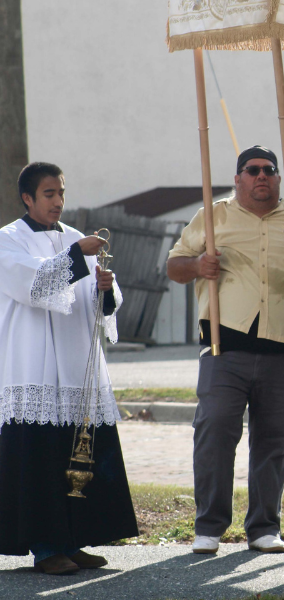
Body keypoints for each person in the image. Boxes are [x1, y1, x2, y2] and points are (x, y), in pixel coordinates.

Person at [166, 145, 284, 555]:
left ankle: (263, 527)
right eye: (251, 170)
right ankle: (209, 526)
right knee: (215, 431)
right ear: (237, 178)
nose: (261, 176)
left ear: (278, 178)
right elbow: (173, 266)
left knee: (274, 442)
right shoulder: (212, 215)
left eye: (269, 170)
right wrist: (199, 264)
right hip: (224, 346)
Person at [0, 162, 137, 575]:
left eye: (61, 192)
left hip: (78, 366)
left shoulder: (76, 239)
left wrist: (105, 290)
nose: (58, 201)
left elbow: (101, 308)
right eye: (48, 194)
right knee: (40, 455)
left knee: (78, 455)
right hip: (35, 365)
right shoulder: (9, 240)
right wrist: (78, 257)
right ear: (27, 197)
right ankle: (45, 548)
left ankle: (75, 541)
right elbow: (35, 284)